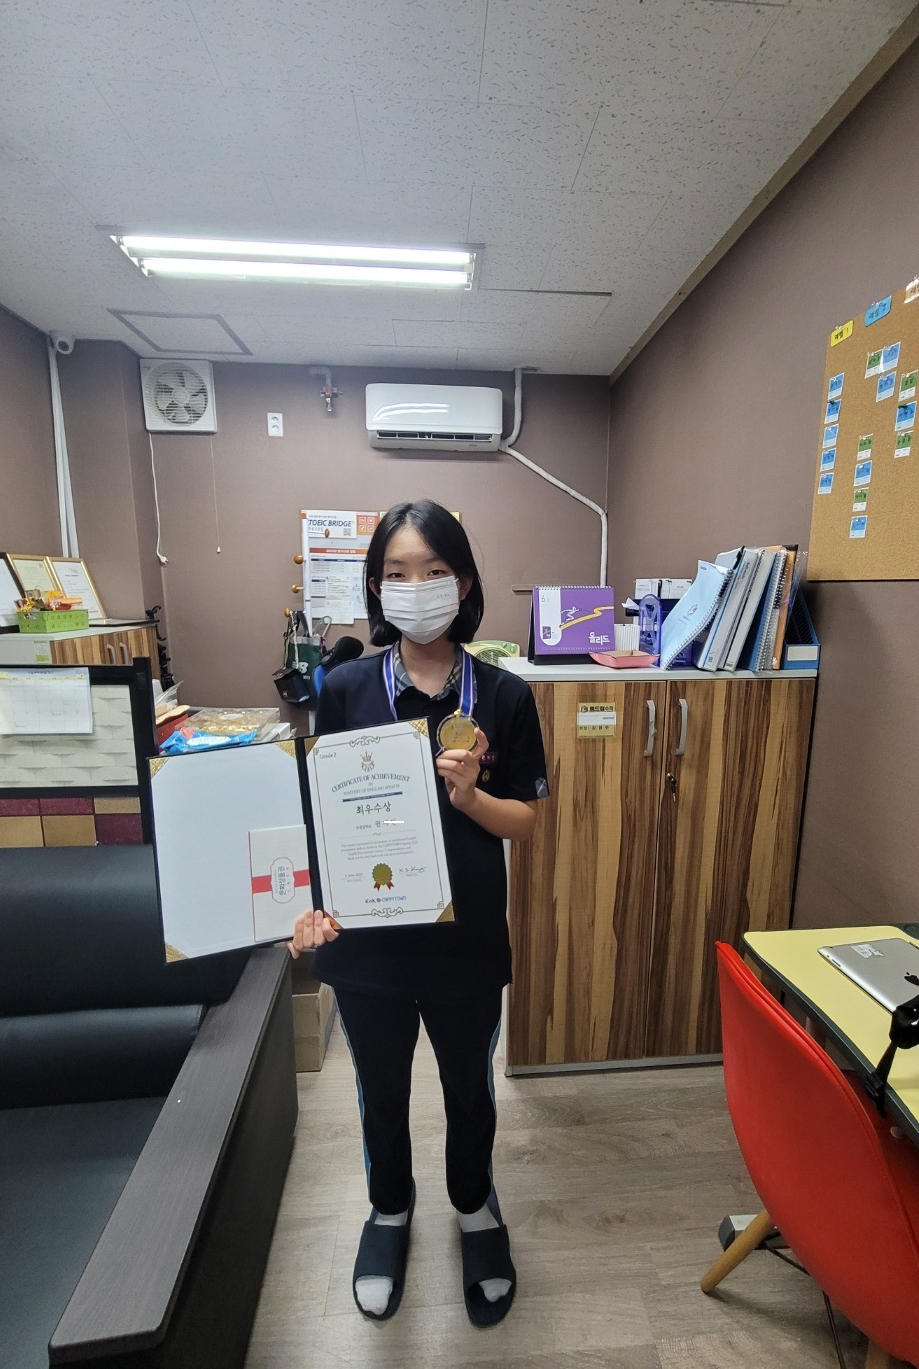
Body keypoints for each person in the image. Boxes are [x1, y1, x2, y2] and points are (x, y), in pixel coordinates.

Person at [289, 500, 547, 1327]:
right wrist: (309, 908)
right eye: (397, 572)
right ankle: (389, 1209)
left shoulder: (504, 695)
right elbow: (320, 814)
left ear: (463, 582)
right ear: (376, 587)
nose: (416, 586)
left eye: (434, 570)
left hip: (467, 943)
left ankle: (474, 1205)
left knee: (470, 1090)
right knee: (381, 1092)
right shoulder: (344, 688)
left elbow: (526, 821)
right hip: (369, 950)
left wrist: (472, 797)